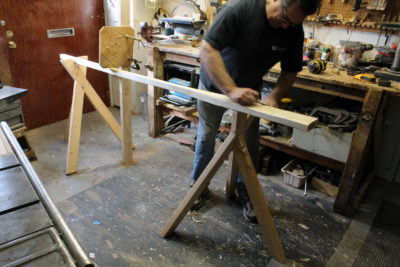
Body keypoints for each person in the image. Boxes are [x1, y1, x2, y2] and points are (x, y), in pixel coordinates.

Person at [190, 0, 321, 222]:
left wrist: (274, 96)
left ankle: (246, 191)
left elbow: (290, 72)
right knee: (206, 136)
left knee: (250, 144)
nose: (287, 27)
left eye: (294, 24)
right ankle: (198, 186)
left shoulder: (293, 28)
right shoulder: (240, 9)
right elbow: (207, 49)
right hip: (214, 86)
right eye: (285, 19)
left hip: (249, 92)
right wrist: (230, 89)